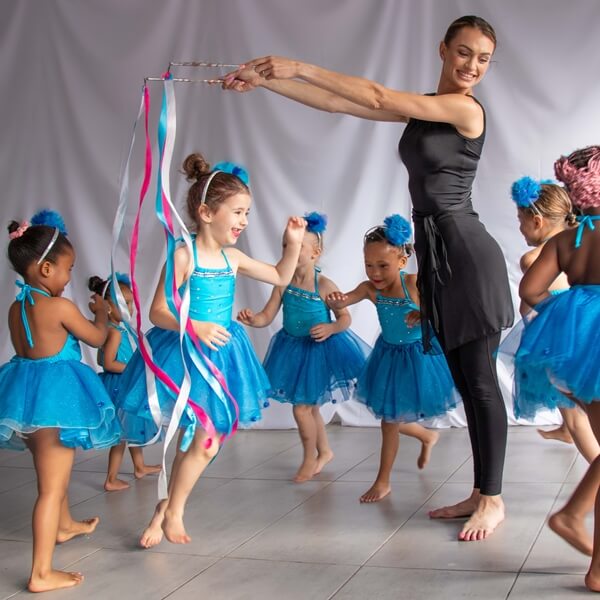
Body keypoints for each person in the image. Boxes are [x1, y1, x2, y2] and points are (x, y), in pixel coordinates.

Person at [223, 14, 513, 540]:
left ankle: (493, 500)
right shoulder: (426, 109)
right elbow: (342, 103)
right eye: (465, 52)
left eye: (484, 58)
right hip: (440, 259)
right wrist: (269, 82)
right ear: (443, 49)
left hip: (469, 258)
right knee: (470, 387)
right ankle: (479, 491)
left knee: (481, 383)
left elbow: (378, 95)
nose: (473, 66)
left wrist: (300, 64)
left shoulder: (464, 110)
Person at [116, 153, 305, 548]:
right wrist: (195, 325)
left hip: (224, 356)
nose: (244, 221)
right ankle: (168, 511)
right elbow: (157, 311)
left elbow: (280, 276)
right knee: (190, 436)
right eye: (237, 212)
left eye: (247, 213)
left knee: (205, 440)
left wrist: (292, 244)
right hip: (186, 354)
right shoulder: (184, 255)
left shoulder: (233, 258)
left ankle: (170, 510)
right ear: (206, 212)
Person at [0, 210, 121, 592]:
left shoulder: (16, 307)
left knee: (54, 472)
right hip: (55, 400)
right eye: (68, 269)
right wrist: (103, 314)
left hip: (24, 397)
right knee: (51, 487)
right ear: (46, 269)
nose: (70, 278)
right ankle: (40, 573)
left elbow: (30, 349)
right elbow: (98, 340)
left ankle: (65, 525)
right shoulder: (61, 307)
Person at [327, 215, 457, 503]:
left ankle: (383, 480)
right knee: (390, 417)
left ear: (401, 261)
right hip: (387, 356)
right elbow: (344, 300)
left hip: (416, 357)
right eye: (369, 265)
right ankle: (425, 437)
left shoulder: (413, 284)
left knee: (390, 419)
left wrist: (423, 316)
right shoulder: (369, 289)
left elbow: (442, 313)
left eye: (383, 266)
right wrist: (335, 301)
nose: (375, 273)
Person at [516, 146, 600, 591]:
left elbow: (531, 290)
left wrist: (568, 322)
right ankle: (570, 516)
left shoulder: (567, 241)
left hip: (577, 352)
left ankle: (597, 566)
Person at [237, 212, 370, 482]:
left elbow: (345, 318)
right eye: (286, 246)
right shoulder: (282, 282)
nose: (289, 251)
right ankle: (324, 452)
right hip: (291, 349)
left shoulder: (323, 285)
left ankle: (309, 458)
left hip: (318, 352)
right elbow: (267, 316)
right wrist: (254, 319)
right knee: (310, 408)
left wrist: (331, 327)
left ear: (315, 253)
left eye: (297, 246)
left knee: (303, 408)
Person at [508, 177, 599, 462]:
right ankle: (566, 432)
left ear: (536, 221)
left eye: (520, 220)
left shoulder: (536, 256)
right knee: (581, 408)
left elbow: (529, 300)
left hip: (559, 346)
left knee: (577, 415)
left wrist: (558, 319)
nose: (520, 228)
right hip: (583, 341)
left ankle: (590, 482)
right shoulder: (580, 236)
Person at [88, 273, 161, 492]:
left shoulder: (123, 329)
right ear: (108, 307)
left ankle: (139, 466)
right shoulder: (114, 333)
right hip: (119, 385)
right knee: (120, 434)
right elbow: (108, 363)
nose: (130, 308)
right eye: (124, 304)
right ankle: (111, 478)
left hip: (126, 384)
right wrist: (135, 369)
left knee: (131, 427)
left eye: (130, 303)